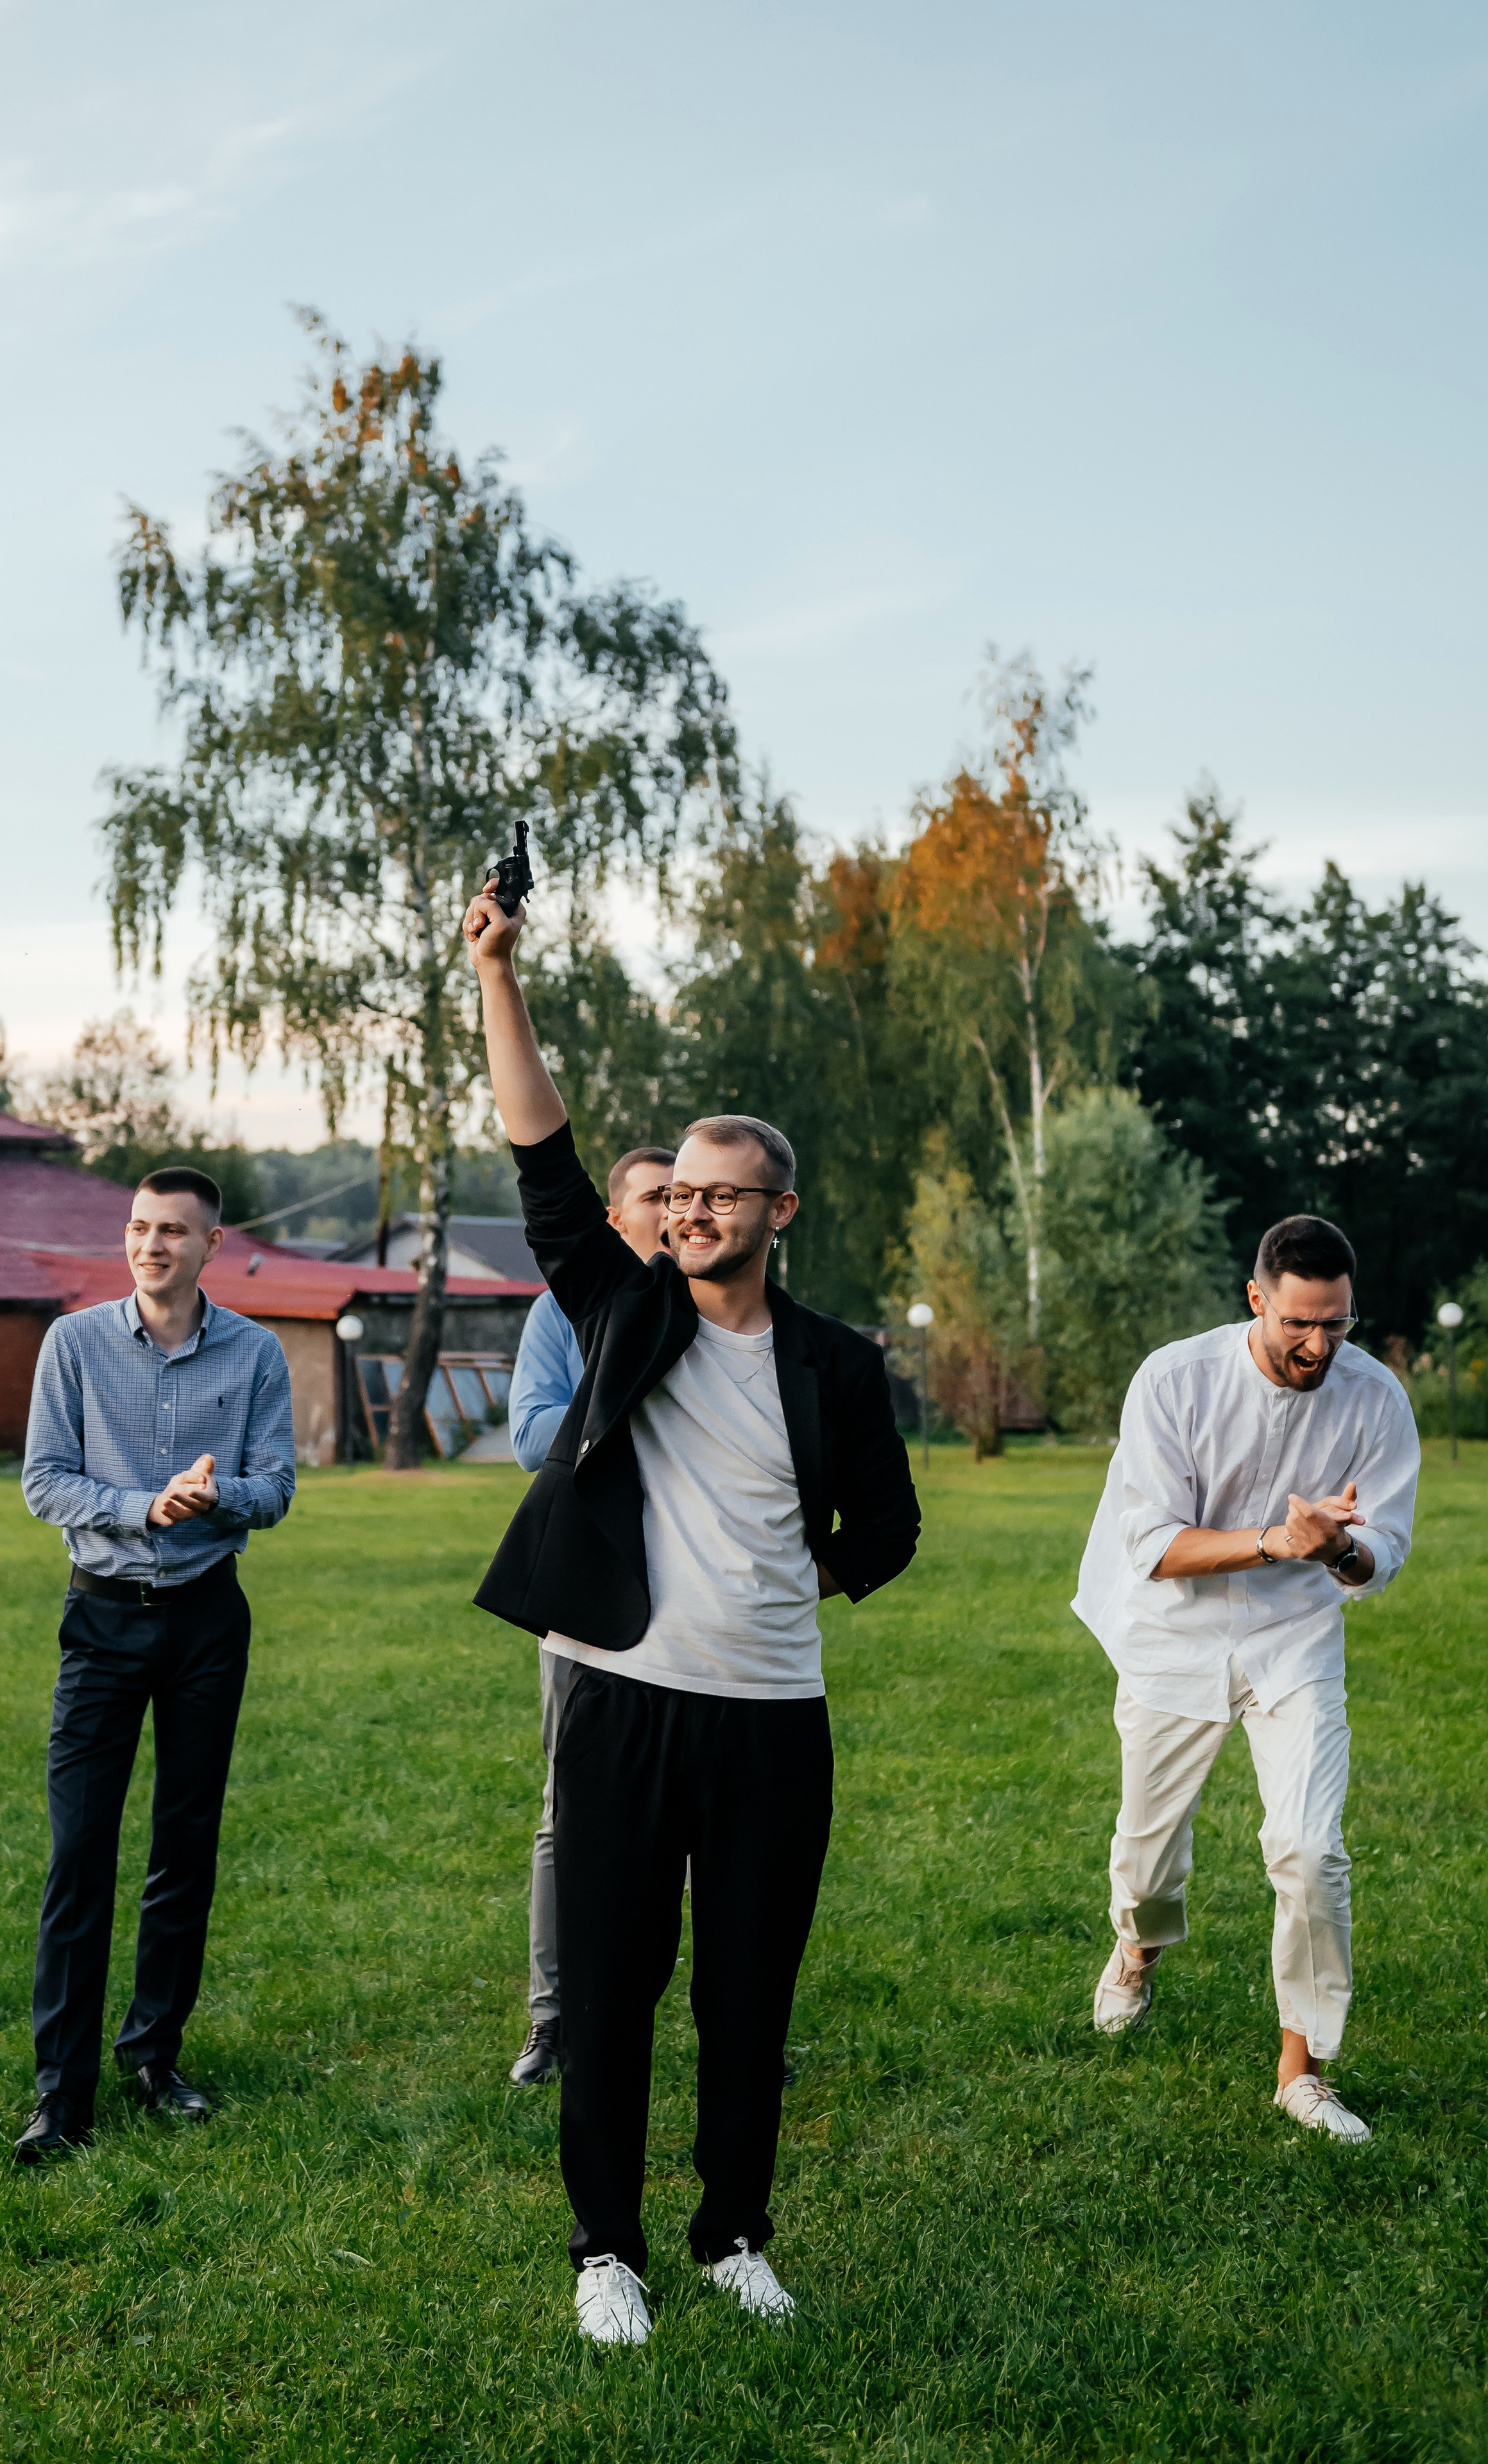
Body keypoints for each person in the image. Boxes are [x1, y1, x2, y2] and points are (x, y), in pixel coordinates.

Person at [463, 881, 920, 2345]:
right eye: (678, 1193)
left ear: (776, 1211)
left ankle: (731, 2234)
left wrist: (804, 1580)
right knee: (605, 1990)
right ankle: (608, 2250)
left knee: (745, 1999)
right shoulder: (621, 1307)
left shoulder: (838, 1364)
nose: (692, 1208)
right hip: (619, 1695)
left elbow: (890, 1529)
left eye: (721, 1193)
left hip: (774, 1717)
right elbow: (541, 1150)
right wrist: (498, 973)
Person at [1073, 1213, 1419, 2144]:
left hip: (1294, 1638)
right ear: (1257, 1298)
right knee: (1149, 1857)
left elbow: (1384, 1549)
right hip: (1170, 1637)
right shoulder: (1175, 1379)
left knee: (1310, 1848)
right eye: (1299, 1322)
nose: (1318, 1344)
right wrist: (1277, 1537)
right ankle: (1138, 1948)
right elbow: (1153, 1544)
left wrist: (1341, 1546)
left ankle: (1302, 2072)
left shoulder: (1376, 1398)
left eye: (1337, 1325)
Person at [13, 1167, 295, 2163]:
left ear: (211, 1244)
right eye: (139, 1227)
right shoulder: (75, 1343)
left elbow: (277, 1488)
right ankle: (61, 2090)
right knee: (79, 1853)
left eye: (174, 1230)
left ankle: (154, 2053)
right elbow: (45, 1481)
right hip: (102, 1619)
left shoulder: (256, 1353)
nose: (152, 1244)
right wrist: (146, 1505)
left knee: (185, 1844)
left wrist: (216, 1498)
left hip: (207, 1622)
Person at [506, 1144, 678, 2091]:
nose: (673, 1210)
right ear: (614, 1220)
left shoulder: (726, 1313)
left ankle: (734, 2022)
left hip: (708, 1600)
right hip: (590, 1593)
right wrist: (621, 1371)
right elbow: (533, 1435)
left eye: (686, 1195)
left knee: (710, 1819)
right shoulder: (559, 1312)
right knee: (567, 1814)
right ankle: (554, 2017)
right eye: (656, 1197)